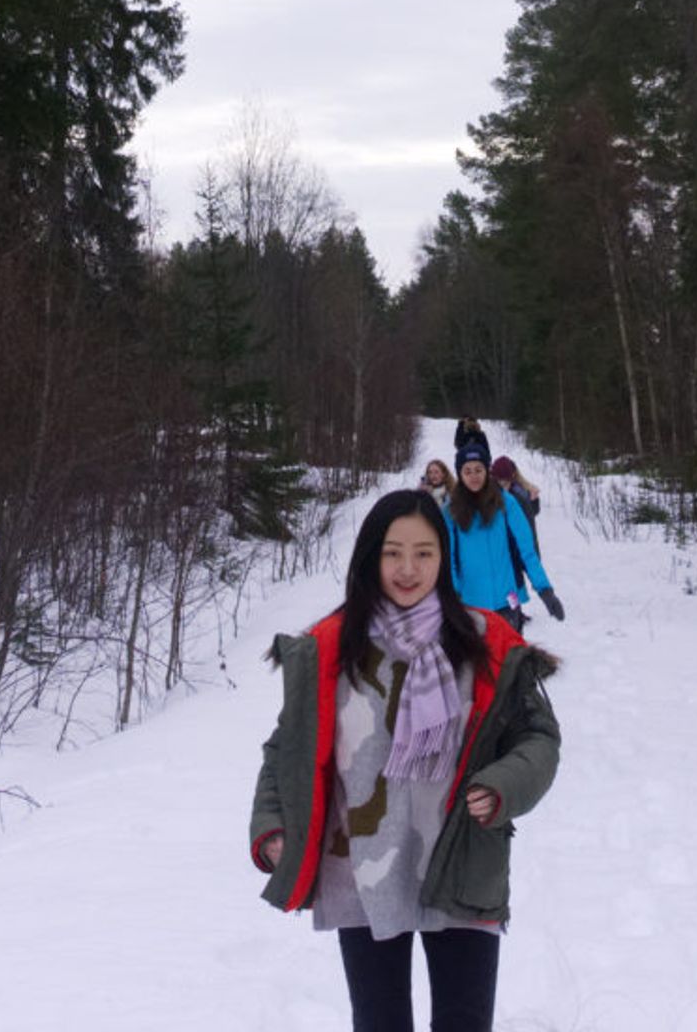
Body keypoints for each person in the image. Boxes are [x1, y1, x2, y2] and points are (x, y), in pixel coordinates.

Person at [249, 489, 561, 1032]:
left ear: (444, 559)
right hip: (362, 868)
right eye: (393, 553)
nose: (408, 569)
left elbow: (539, 737)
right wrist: (273, 824)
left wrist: (504, 784)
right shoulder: (329, 647)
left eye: (424, 553)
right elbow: (286, 748)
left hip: (462, 860)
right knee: (379, 1022)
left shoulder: (488, 641)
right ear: (371, 557)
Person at [448, 441, 564, 631]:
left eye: (478, 469)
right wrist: (453, 597)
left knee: (511, 659)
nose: (474, 476)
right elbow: (449, 559)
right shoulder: (450, 510)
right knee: (477, 661)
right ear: (460, 475)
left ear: (487, 470)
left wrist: (545, 590)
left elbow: (526, 550)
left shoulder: (506, 503)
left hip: (507, 601)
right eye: (467, 471)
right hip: (469, 606)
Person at [489, 457, 540, 526]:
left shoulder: (519, 494)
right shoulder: (487, 492)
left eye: (505, 484)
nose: (502, 488)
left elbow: (529, 515)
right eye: (498, 483)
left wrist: (533, 501)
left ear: (511, 480)